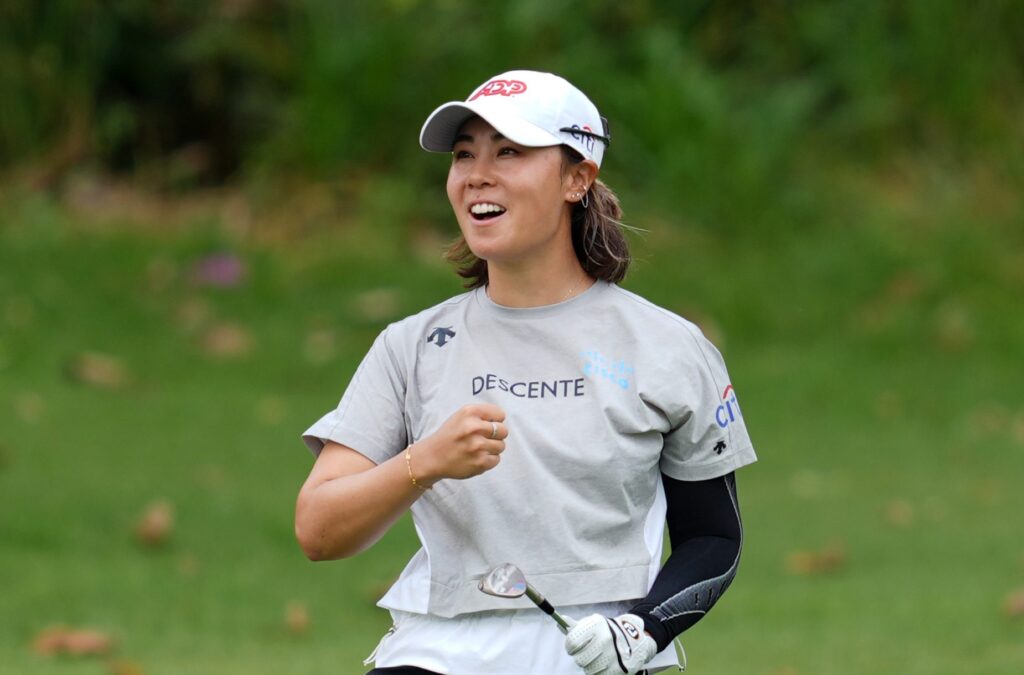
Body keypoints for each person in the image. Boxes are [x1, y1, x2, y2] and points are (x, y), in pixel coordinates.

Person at [295, 70, 757, 675]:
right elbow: (319, 530)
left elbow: (714, 541)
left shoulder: (668, 346)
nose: (477, 174)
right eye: (465, 155)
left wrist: (643, 630)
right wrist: (426, 461)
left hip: (597, 651)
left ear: (577, 178)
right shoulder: (409, 346)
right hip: (435, 649)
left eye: (509, 152)